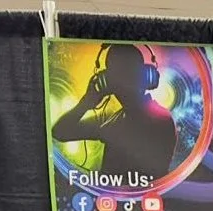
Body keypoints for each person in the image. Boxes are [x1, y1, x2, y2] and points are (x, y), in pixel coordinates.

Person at [52, 44, 177, 180]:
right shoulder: (111, 118)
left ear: (145, 76)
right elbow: (59, 132)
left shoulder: (162, 119)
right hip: (108, 200)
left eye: (130, 74)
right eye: (117, 77)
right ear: (107, 82)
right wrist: (86, 103)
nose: (124, 84)